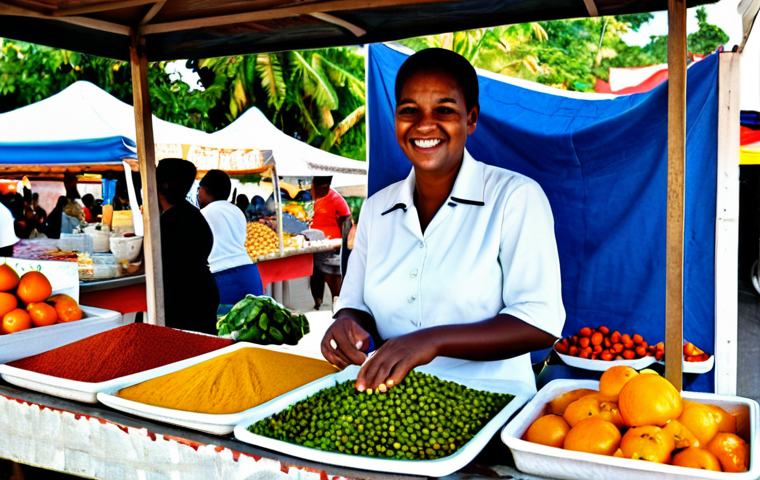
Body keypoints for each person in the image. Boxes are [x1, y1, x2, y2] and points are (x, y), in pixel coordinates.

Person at [322, 49, 565, 393]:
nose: (424, 125)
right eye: (410, 111)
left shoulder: (515, 197)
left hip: (493, 402)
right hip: (393, 400)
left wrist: (429, 341)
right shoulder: (377, 210)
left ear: (471, 119)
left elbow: (539, 321)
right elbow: (355, 305)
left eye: (444, 110)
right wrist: (345, 324)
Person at [156, 159, 220, 334]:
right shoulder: (191, 213)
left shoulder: (169, 221)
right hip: (202, 294)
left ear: (163, 186)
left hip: (185, 302)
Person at [197, 170, 263, 306]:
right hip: (249, 274)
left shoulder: (201, 215)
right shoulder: (237, 211)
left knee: (223, 325)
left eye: (198, 189)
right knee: (251, 324)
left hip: (221, 279)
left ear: (204, 190)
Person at [309, 176, 352, 310]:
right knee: (315, 271)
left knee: (330, 271)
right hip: (312, 241)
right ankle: (317, 300)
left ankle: (337, 300)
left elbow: (346, 218)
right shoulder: (310, 197)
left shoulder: (335, 198)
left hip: (331, 242)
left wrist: (344, 242)